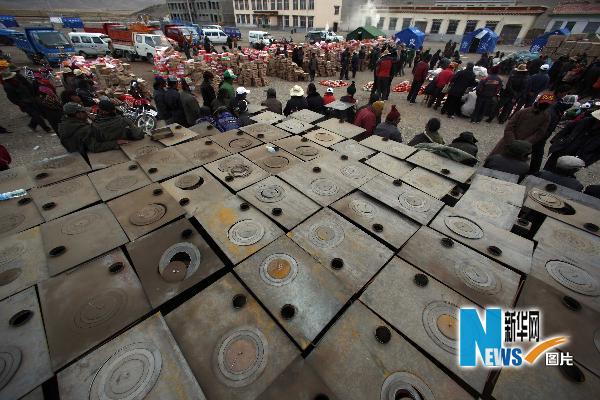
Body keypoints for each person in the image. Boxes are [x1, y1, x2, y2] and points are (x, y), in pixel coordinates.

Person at [489, 94, 553, 157]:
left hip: (522, 147)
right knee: (496, 158)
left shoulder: (546, 117)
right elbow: (510, 126)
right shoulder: (524, 111)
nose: (544, 106)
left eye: (546, 105)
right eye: (543, 103)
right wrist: (512, 141)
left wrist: (523, 144)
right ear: (538, 101)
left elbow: (540, 133)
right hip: (508, 142)